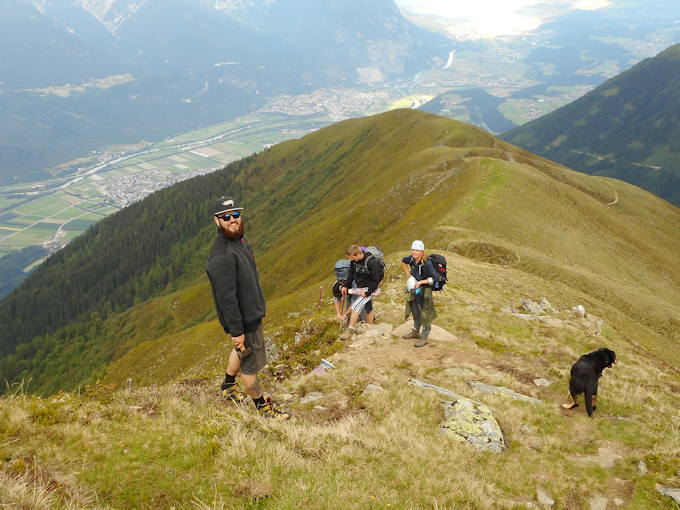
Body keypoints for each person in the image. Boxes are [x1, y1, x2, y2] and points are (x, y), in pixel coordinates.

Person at [205, 196, 290, 420]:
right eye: (226, 217)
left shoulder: (240, 241)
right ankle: (263, 408)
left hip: (250, 314)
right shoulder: (221, 257)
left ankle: (227, 385)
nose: (233, 220)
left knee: (243, 350)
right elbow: (227, 299)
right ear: (217, 221)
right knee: (250, 366)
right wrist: (237, 331)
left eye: (235, 214)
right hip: (243, 319)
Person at [339, 245, 382, 340]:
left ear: (359, 254)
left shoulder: (371, 262)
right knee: (368, 308)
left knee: (355, 306)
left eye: (353, 257)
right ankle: (371, 328)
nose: (351, 259)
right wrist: (346, 286)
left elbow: (376, 280)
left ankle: (349, 330)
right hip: (361, 288)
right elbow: (351, 274)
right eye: (350, 258)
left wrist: (368, 293)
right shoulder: (354, 262)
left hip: (370, 289)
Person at [401, 240, 439, 347]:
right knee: (415, 311)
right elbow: (403, 261)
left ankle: (424, 337)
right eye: (413, 249)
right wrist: (408, 275)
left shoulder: (427, 264)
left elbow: (435, 278)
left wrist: (421, 282)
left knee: (424, 313)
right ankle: (415, 331)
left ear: (422, 252)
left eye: (417, 250)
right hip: (415, 289)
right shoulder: (412, 259)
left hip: (425, 291)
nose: (414, 252)